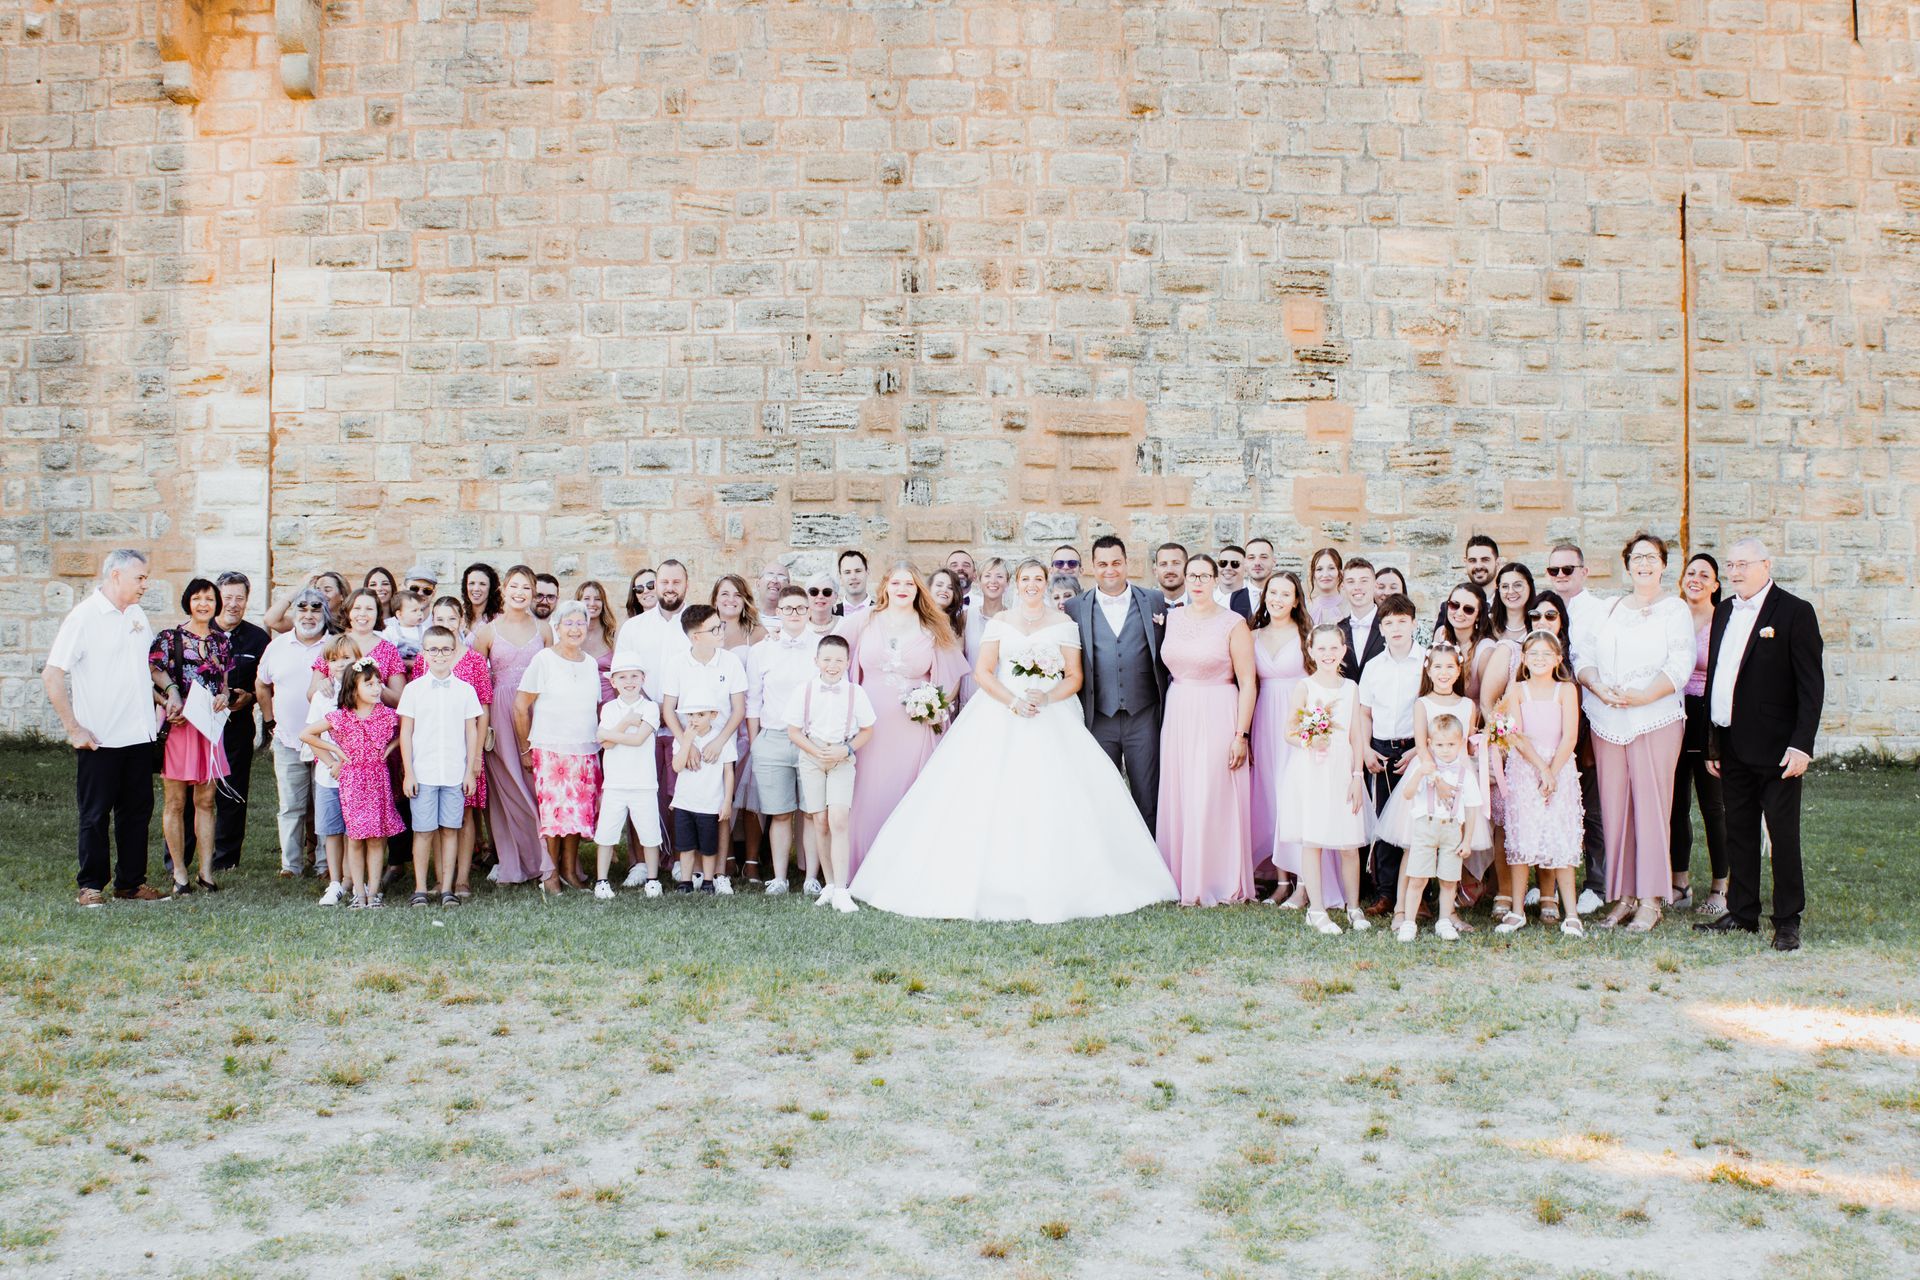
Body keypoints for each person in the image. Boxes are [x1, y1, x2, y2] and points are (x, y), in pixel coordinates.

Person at [849, 559, 1177, 922]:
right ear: (1016, 584)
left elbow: (1074, 676)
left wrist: (1048, 697)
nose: (1032, 585)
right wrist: (1013, 701)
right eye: (1026, 579)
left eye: (1039, 579)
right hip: (1001, 712)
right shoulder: (1001, 622)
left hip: (1051, 715)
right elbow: (984, 672)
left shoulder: (1064, 623)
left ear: (1046, 583)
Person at [1698, 538, 1823, 953]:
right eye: (1730, 565)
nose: (1735, 571)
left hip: (1777, 748)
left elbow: (1811, 686)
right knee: (1740, 832)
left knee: (1783, 836)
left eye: (1743, 564)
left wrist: (1801, 745)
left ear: (1766, 564)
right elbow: (1718, 678)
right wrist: (1714, 743)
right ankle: (1742, 912)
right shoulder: (1725, 611)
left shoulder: (1794, 612)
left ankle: (1787, 919)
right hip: (1731, 743)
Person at [1575, 532, 1694, 932]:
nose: (1643, 563)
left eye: (1651, 557)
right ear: (1627, 565)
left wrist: (1644, 695)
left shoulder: (1674, 609)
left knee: (1651, 806)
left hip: (1653, 717)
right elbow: (1583, 656)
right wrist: (1596, 685)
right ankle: (1623, 896)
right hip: (1608, 720)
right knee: (1615, 809)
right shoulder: (1608, 609)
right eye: (1636, 557)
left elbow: (1681, 661)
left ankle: (1651, 899)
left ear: (1663, 564)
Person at [43, 548, 164, 906]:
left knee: (137, 813)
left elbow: (147, 667)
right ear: (115, 576)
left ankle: (130, 882)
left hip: (139, 735)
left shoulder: (138, 615)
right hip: (101, 739)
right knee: (95, 815)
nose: (145, 585)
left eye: (146, 578)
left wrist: (167, 692)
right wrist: (73, 728)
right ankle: (91, 886)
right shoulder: (83, 618)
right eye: (140, 578)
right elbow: (52, 674)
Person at [836, 562, 968, 873]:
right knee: (868, 791)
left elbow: (952, 677)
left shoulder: (933, 625)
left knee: (910, 791)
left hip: (914, 726)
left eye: (909, 584)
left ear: (918, 589)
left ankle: (907, 869)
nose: (902, 589)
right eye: (896, 583)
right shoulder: (864, 620)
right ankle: (862, 866)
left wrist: (935, 705)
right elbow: (832, 655)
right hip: (869, 726)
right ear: (884, 588)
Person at [1156, 554, 1256, 906]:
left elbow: (1248, 682)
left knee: (1212, 793)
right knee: (1182, 792)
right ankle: (1179, 876)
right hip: (1179, 709)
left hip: (1219, 710)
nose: (1197, 581)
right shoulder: (1170, 618)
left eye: (1204, 575)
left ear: (1215, 580)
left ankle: (1216, 876)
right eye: (1191, 575)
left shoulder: (1233, 623)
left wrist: (1240, 734)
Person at [1067, 535, 1169, 832]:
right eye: (1102, 564)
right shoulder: (1075, 607)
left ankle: (1152, 867)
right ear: (1091, 568)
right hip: (1099, 716)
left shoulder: (1154, 600)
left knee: (1148, 795)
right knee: (1101, 795)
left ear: (1126, 564)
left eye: (1116, 563)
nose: (1109, 570)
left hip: (1144, 714)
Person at [1279, 624, 1372, 934]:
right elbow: (1290, 732)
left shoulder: (1351, 688)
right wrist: (1310, 741)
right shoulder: (1305, 687)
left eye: (1334, 648)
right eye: (1322, 648)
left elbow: (1356, 736)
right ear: (1311, 651)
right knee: (1314, 840)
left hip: (1343, 770)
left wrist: (1357, 776)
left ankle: (1354, 906)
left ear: (1343, 651)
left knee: (1348, 843)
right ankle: (1316, 909)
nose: (1328, 654)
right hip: (1312, 771)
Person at [1495, 631, 1585, 936]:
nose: (1540, 659)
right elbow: (1516, 735)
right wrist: (1540, 769)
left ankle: (1571, 913)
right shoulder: (1517, 690)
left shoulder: (1566, 690)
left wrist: (1552, 771)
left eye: (1547, 654)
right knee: (1523, 838)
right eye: (1533, 654)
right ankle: (1517, 910)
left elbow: (1570, 736)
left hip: (1560, 767)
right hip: (1525, 768)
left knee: (1561, 835)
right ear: (1523, 659)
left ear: (1558, 659)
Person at [471, 565, 552, 886]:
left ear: (533, 593)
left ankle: (545, 858)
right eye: (514, 586)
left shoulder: (544, 629)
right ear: (503, 589)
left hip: (537, 710)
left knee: (536, 785)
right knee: (509, 788)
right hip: (500, 713)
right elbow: (476, 680)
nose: (520, 593)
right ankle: (514, 861)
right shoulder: (487, 632)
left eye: (527, 588)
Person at [151, 577, 233, 896]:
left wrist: (225, 696)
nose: (203, 604)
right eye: (197, 598)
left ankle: (206, 871)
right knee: (174, 801)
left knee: (206, 801)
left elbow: (224, 682)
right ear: (188, 601)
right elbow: (155, 671)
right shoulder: (169, 637)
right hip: (180, 727)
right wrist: (172, 693)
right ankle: (180, 873)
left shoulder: (221, 642)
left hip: (209, 728)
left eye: (209, 599)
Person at [514, 600, 603, 892]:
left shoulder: (590, 664)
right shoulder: (544, 660)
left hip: (585, 751)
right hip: (551, 749)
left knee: (578, 814)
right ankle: (549, 873)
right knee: (554, 816)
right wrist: (526, 748)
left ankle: (569, 870)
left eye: (581, 623)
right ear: (558, 627)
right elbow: (520, 706)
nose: (575, 629)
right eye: (569, 623)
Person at [303, 657, 403, 908]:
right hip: (353, 781)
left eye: (378, 682)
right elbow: (307, 734)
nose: (376, 688)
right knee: (356, 838)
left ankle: (373, 891)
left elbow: (410, 728)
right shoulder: (341, 717)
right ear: (353, 688)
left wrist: (391, 747)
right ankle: (359, 893)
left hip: (378, 780)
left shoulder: (387, 715)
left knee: (377, 838)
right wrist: (334, 752)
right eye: (368, 684)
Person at [786, 635, 876, 913]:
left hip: (841, 758)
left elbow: (868, 730)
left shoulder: (855, 693)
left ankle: (841, 888)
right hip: (811, 757)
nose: (832, 665)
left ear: (848, 662)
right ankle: (828, 884)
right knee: (820, 821)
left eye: (839, 660)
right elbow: (793, 731)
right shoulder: (805, 690)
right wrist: (815, 750)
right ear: (816, 661)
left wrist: (846, 750)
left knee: (838, 818)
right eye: (827, 659)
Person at [398, 625, 484, 908]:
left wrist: (470, 770)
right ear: (423, 652)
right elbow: (406, 734)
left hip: (453, 773)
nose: (439, 655)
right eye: (433, 649)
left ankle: (447, 888)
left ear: (454, 651)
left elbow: (471, 731)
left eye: (446, 649)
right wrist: (409, 772)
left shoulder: (465, 690)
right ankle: (421, 888)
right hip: (423, 772)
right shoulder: (413, 690)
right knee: (423, 831)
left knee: (450, 829)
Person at [1379, 714, 1481, 942]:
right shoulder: (1424, 770)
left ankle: (1444, 920)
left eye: (1451, 745)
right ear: (1429, 744)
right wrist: (1420, 774)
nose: (1445, 750)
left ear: (1461, 742)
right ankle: (1409, 921)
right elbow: (1407, 794)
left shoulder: (1465, 773)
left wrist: (1467, 840)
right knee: (1417, 877)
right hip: (1425, 829)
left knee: (1448, 879)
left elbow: (1473, 807)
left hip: (1452, 830)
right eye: (1440, 745)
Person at [1548, 543, 1610, 915]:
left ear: (1584, 572)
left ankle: (1598, 882)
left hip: (1591, 722)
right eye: (1554, 570)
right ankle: (1549, 884)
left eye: (1567, 569)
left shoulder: (1600, 613)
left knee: (1593, 809)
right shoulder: (1544, 612)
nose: (1560, 577)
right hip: (1548, 726)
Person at [417, 596, 493, 899]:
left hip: (465, 747)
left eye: (451, 618)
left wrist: (476, 757)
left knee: (463, 813)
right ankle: (440, 877)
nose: (445, 624)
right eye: (439, 619)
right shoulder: (427, 659)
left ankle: (462, 877)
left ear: (461, 620)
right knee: (435, 817)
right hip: (432, 748)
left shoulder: (473, 660)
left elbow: (483, 708)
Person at [746, 586, 820, 894]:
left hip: (811, 738)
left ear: (809, 611)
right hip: (773, 738)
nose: (794, 614)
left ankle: (812, 878)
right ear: (778, 612)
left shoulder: (820, 646)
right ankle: (779, 877)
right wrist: (755, 744)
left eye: (800, 608)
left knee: (813, 811)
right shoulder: (762, 650)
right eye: (788, 608)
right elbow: (753, 700)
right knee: (780, 813)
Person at [1248, 572, 1315, 903]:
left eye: (1284, 594)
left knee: (1296, 797)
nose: (1277, 598)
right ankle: (1282, 881)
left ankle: (1305, 883)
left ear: (1296, 600)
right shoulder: (1252, 634)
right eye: (1272, 592)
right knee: (1271, 798)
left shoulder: (1306, 636)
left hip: (1296, 723)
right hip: (1264, 721)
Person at [1356, 594, 1424, 916]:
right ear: (1380, 628)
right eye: (1388, 623)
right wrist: (1367, 748)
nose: (1395, 628)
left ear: (1413, 623)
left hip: (1415, 748)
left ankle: (1417, 895)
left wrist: (1417, 751)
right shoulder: (1373, 667)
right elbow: (1365, 713)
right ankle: (1386, 893)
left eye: (1401, 621)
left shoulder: (1425, 662)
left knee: (1414, 823)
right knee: (1384, 823)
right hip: (1381, 750)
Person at [256, 587, 330, 878]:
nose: (309, 614)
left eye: (315, 608)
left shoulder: (335, 646)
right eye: (302, 608)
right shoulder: (277, 646)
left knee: (325, 803)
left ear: (325, 613)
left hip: (326, 743)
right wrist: (269, 720)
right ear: (294, 613)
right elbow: (262, 684)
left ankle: (325, 863)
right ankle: (291, 865)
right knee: (291, 806)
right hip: (288, 738)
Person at [1671, 553, 1729, 916]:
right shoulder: (1671, 616)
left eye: (1704, 574)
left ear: (1715, 585)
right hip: (1673, 715)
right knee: (1676, 805)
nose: (1695, 579)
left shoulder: (1724, 620)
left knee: (1713, 805)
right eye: (1690, 573)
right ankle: (1680, 882)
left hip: (1710, 718)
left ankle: (1722, 886)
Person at [208, 570, 268, 873]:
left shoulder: (258, 638)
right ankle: (181, 856)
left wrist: (252, 698)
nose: (233, 604)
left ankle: (226, 860)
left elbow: (267, 683)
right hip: (200, 728)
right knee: (195, 792)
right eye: (227, 597)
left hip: (238, 726)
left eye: (239, 598)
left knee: (233, 792)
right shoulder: (198, 632)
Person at [593, 656, 664, 899]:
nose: (629, 682)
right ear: (613, 682)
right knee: (606, 834)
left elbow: (637, 739)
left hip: (643, 783)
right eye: (622, 677)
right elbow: (606, 744)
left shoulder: (650, 707)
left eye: (635, 676)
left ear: (643, 679)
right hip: (614, 783)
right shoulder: (610, 709)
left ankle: (653, 879)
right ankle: (601, 881)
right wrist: (624, 723)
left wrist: (608, 734)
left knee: (649, 833)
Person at [711, 576, 764, 876]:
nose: (730, 599)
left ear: (745, 600)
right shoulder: (707, 629)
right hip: (716, 723)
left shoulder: (756, 633)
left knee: (751, 793)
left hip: (747, 724)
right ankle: (726, 857)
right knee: (721, 793)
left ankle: (753, 861)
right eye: (724, 594)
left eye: (737, 594)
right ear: (715, 598)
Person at [305, 635, 359, 904]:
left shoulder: (365, 693)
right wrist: (331, 763)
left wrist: (347, 763)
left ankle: (353, 879)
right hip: (329, 775)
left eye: (347, 658)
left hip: (358, 774)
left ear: (358, 661)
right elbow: (311, 735)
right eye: (333, 660)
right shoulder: (321, 696)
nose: (340, 664)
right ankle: (335, 881)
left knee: (355, 830)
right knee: (333, 830)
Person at [669, 693, 737, 894]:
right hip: (685, 803)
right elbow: (677, 766)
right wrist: (687, 742)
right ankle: (686, 881)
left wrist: (726, 802)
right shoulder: (682, 738)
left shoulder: (721, 740)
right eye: (690, 715)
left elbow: (728, 772)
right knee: (686, 846)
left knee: (708, 847)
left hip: (710, 803)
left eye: (700, 715)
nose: (694, 720)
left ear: (713, 715)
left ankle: (708, 880)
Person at [310, 588, 405, 707]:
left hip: (376, 722)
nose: (363, 613)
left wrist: (374, 685)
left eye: (369, 609)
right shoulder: (334, 644)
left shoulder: (389, 650)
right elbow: (311, 695)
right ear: (348, 612)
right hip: (337, 721)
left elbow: (400, 701)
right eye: (357, 608)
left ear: (378, 613)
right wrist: (323, 686)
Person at [1336, 557, 1381, 681]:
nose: (1357, 587)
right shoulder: (1337, 630)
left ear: (1375, 585)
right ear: (1343, 586)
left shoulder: (1389, 625)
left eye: (1364, 581)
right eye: (1351, 581)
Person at [264, 568, 347, 635]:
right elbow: (271, 620)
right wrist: (298, 588)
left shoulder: (351, 622)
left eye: (327, 590)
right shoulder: (309, 620)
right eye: (317, 589)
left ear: (342, 595)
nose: (321, 594)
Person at [576, 580, 617, 703]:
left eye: (598, 599)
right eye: (586, 598)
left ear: (603, 603)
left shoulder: (613, 636)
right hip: (579, 704)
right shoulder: (571, 636)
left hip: (610, 705)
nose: (592, 603)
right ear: (578, 602)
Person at [381, 588, 428, 666]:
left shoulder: (424, 630)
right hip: (396, 669)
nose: (420, 613)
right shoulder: (390, 631)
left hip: (418, 668)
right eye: (414, 610)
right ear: (399, 614)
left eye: (421, 610)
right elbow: (384, 651)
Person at [1306, 547, 1345, 624]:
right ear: (1314, 575)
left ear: (1340, 573)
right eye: (1319, 569)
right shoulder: (1307, 609)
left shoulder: (1350, 607)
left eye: (1331, 568)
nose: (1325, 574)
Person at [461, 562, 502, 633]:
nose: (476, 588)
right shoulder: (459, 616)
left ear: (491, 588)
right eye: (472, 583)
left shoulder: (499, 620)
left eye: (482, 584)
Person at [1214, 544, 1254, 617]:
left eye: (1235, 564)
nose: (1228, 568)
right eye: (1223, 563)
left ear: (1245, 570)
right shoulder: (1208, 597)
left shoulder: (1254, 598)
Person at [836, 549, 873, 616]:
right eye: (847, 572)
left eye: (858, 571)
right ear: (840, 577)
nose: (853, 577)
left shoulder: (882, 612)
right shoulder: (831, 614)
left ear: (867, 572)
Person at [1152, 542, 1188, 609]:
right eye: (1163, 564)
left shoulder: (1203, 603)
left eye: (1176, 563)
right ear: (1155, 571)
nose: (1170, 570)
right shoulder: (1144, 606)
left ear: (1187, 568)